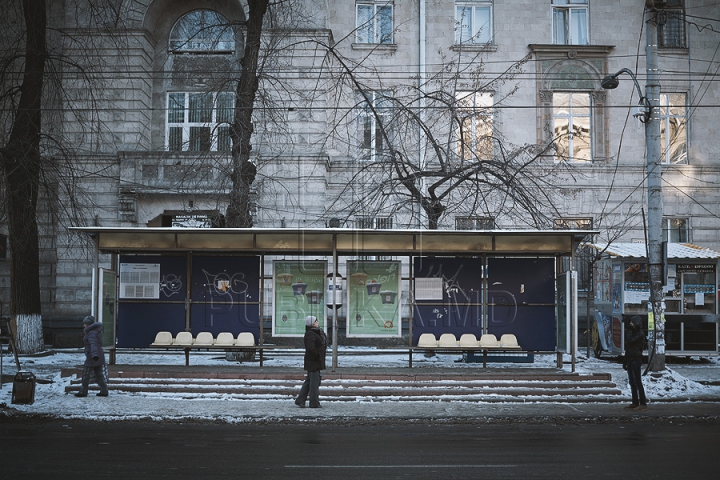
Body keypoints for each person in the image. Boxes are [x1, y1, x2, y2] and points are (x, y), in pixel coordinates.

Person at [295, 315, 327, 408]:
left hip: (316, 360)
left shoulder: (316, 332)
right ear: (312, 323)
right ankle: (314, 402)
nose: (318, 322)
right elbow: (310, 348)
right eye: (316, 321)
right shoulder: (310, 333)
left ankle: (300, 400)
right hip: (313, 361)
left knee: (309, 381)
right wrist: (317, 355)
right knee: (314, 383)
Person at [75, 315, 109, 397]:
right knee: (99, 374)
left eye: (85, 324)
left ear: (88, 324)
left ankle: (83, 392)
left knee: (86, 374)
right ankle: (104, 391)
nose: (84, 325)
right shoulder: (96, 331)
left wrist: (94, 355)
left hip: (93, 356)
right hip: (98, 355)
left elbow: (93, 344)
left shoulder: (91, 332)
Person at [623, 315, 648, 410]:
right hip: (630, 358)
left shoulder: (640, 334)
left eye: (632, 322)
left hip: (636, 359)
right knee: (632, 382)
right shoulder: (634, 332)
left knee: (638, 382)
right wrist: (625, 360)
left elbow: (630, 340)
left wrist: (629, 331)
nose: (630, 324)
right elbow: (628, 348)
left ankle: (643, 403)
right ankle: (635, 401)